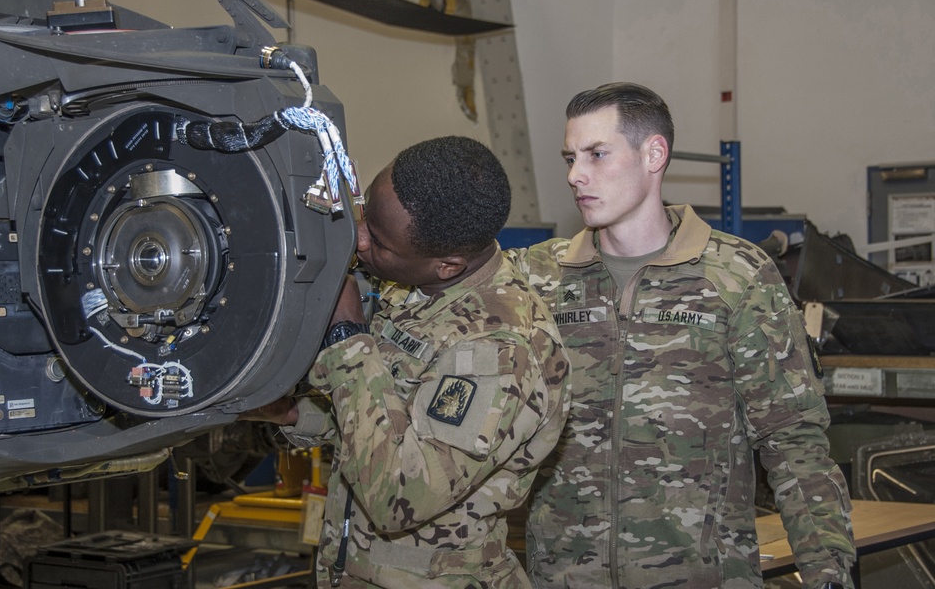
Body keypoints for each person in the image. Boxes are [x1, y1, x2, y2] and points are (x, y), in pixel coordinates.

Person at [508, 82, 856, 588]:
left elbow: (793, 440)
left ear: (654, 154)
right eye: (570, 157)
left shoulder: (735, 274)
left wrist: (827, 572)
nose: (575, 175)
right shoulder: (538, 277)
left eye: (596, 155)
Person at [251, 135, 571, 588]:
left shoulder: (498, 351)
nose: (358, 239)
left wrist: (348, 336)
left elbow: (400, 494)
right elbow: (385, 416)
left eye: (378, 242)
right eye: (364, 215)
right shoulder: (413, 287)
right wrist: (292, 412)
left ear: (447, 265)